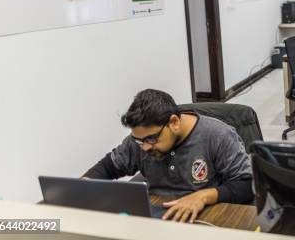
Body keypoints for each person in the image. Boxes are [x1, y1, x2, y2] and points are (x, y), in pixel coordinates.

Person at [83, 89, 253, 223]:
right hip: (157, 215)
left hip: (206, 216)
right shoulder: (141, 141)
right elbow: (108, 167)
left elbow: (247, 184)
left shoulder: (218, 135)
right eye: (139, 140)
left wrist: (202, 196)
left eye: (151, 139)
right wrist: (83, 186)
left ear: (174, 122)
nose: (145, 147)